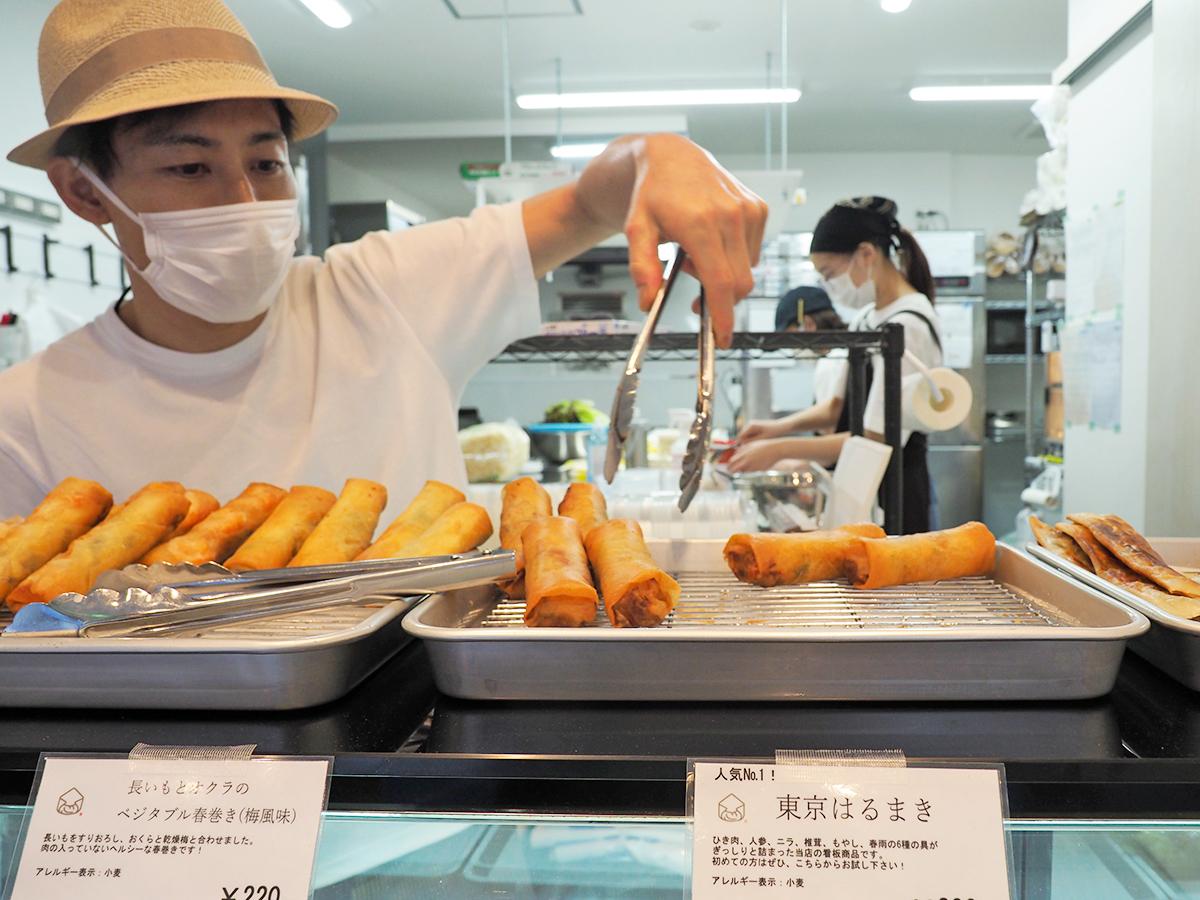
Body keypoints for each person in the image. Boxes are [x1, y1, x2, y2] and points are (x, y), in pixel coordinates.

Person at [0, 0, 767, 518]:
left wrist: (655, 155)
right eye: (190, 169)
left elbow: (585, 204)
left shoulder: (380, 294)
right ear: (85, 193)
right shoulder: (27, 419)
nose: (244, 200)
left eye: (266, 165)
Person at [729, 196, 942, 534]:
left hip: (896, 494)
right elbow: (837, 407)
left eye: (829, 273)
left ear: (866, 255)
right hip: (862, 485)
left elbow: (876, 439)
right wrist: (775, 428)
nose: (828, 286)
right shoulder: (866, 318)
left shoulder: (910, 325)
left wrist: (779, 450)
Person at [747, 284, 847, 436]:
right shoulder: (844, 354)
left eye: (791, 340)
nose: (792, 349)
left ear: (808, 324)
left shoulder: (832, 362)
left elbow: (829, 424)